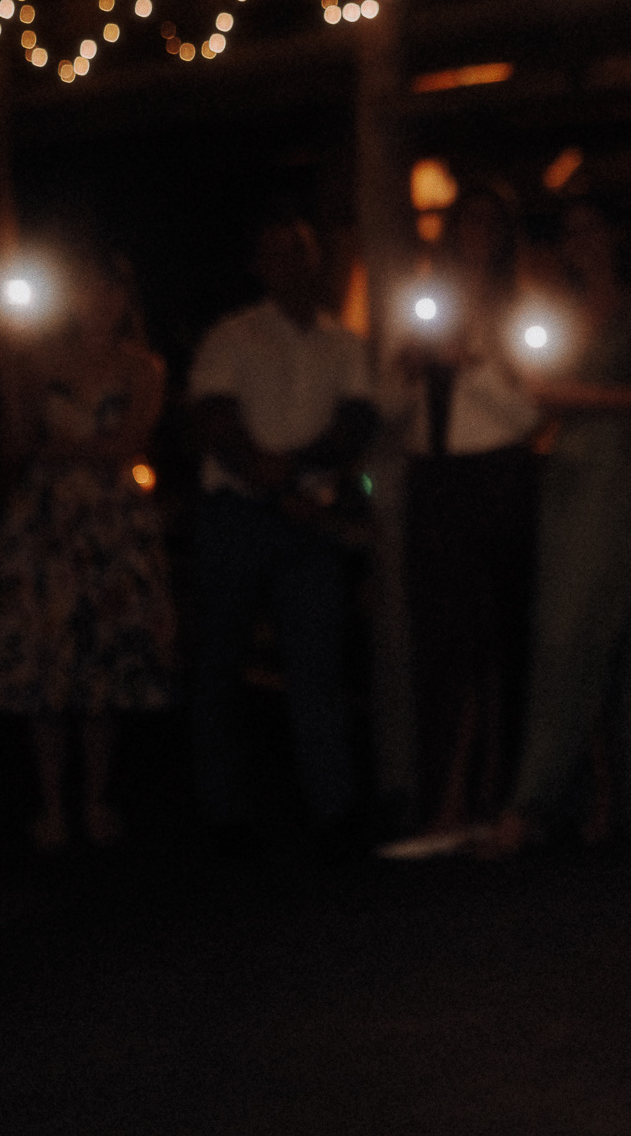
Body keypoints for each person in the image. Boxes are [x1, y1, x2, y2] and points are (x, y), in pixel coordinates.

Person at [0, 250, 177, 852]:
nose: (98, 304)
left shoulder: (143, 367)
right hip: (47, 523)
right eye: (89, 292)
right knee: (47, 658)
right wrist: (11, 392)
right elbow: (13, 451)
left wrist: (57, 447)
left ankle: (97, 799)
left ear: (124, 302)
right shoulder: (35, 363)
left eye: (110, 293)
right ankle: (53, 804)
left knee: (101, 658)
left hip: (108, 521)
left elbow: (129, 443)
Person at [483, 197, 631, 855]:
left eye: (589, 225)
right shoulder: (557, 308)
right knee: (562, 627)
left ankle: (583, 800)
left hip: (616, 473)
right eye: (569, 231)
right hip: (565, 472)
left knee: (604, 631)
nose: (579, 240)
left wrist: (580, 399)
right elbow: (534, 389)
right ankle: (573, 796)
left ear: (612, 231)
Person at [188, 214, 377, 845]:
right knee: (220, 662)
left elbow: (354, 424)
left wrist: (292, 479)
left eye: (295, 252)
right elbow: (214, 420)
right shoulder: (232, 337)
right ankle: (223, 812)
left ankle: (331, 809)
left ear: (313, 259)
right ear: (259, 267)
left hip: (308, 520)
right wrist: (275, 485)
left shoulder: (344, 344)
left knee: (316, 667)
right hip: (239, 516)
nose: (286, 266)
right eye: (272, 255)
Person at [387, 185, 542, 851]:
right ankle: (441, 795)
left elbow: (534, 410)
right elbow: (389, 406)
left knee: (497, 634)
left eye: (488, 224)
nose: (476, 236)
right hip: (434, 480)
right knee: (440, 637)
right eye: (466, 224)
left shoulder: (523, 308)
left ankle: (490, 794)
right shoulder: (425, 304)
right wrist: (413, 366)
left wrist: (475, 368)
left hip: (497, 474)